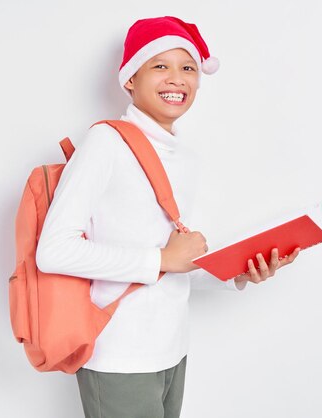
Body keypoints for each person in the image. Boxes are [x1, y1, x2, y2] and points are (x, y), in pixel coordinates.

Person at [36, 16, 299, 418]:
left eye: (188, 68)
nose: (177, 79)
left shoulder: (184, 157)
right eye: (160, 66)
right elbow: (53, 251)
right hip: (119, 354)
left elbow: (176, 264)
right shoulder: (106, 142)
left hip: (172, 350)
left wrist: (238, 274)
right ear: (130, 79)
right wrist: (160, 259)